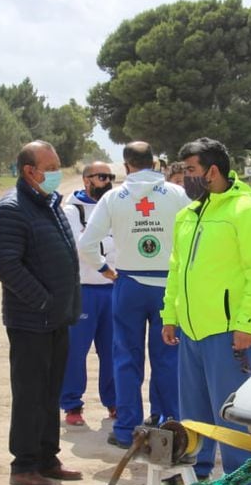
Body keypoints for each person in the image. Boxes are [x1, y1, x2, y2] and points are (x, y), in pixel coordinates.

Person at [160, 137, 251, 485]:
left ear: (213, 171)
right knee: (193, 407)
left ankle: (244, 482)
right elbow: (176, 271)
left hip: (229, 332)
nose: (185, 179)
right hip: (192, 331)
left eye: (190, 171)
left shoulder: (247, 211)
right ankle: (197, 470)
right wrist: (170, 315)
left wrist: (247, 323)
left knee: (231, 410)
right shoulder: (188, 216)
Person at [79, 142, 190, 448]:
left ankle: (127, 428)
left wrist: (104, 269)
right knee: (167, 357)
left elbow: (87, 244)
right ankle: (167, 426)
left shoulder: (115, 197)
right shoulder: (178, 195)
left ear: (125, 165)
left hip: (128, 284)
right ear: (153, 162)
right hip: (168, 285)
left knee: (126, 357)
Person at [0, 140, 83, 485]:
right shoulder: (12, 209)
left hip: (57, 319)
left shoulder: (49, 204)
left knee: (50, 392)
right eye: (52, 166)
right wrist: (43, 302)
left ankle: (48, 457)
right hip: (32, 320)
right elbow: (8, 267)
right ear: (30, 171)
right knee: (30, 394)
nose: (58, 172)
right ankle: (24, 463)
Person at [60, 162, 118, 426]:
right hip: (83, 291)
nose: (107, 182)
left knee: (113, 351)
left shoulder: (116, 207)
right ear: (86, 180)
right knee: (75, 351)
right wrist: (106, 245)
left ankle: (115, 402)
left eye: (110, 177)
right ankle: (72, 405)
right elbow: (78, 247)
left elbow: (119, 242)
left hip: (114, 290)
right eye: (101, 177)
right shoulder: (71, 210)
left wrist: (97, 243)